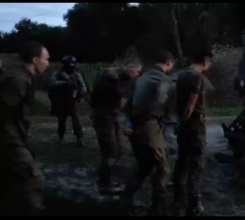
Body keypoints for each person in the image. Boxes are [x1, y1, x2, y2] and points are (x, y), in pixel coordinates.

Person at [120, 50, 175, 216]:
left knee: (143, 167)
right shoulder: (164, 81)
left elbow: (126, 104)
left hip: (135, 129)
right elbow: (156, 107)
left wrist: (130, 123)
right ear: (169, 63)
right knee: (162, 169)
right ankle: (160, 209)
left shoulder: (140, 78)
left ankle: (123, 202)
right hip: (149, 128)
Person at [0, 41, 50, 215]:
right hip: (8, 139)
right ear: (35, 60)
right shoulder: (20, 80)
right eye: (46, 59)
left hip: (14, 136)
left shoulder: (21, 77)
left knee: (9, 180)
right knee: (34, 179)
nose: (48, 63)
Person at [90, 57, 142, 194]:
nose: (137, 74)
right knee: (110, 152)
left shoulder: (123, 78)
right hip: (103, 116)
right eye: (137, 71)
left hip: (112, 115)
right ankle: (104, 184)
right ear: (129, 68)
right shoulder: (110, 77)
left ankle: (106, 178)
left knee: (119, 151)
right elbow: (117, 94)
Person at [172, 49, 213, 216]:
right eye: (210, 63)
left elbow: (177, 102)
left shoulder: (181, 74)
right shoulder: (197, 77)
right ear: (205, 61)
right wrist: (180, 125)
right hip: (194, 125)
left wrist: (179, 125)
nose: (209, 66)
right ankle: (194, 203)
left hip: (184, 126)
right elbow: (190, 107)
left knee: (182, 161)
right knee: (196, 165)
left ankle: (178, 197)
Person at [48, 55, 87, 147]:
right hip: (61, 101)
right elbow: (52, 83)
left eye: (72, 64)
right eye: (69, 64)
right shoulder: (58, 74)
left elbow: (83, 87)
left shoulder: (77, 75)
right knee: (61, 121)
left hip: (73, 101)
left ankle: (80, 138)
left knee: (76, 120)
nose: (71, 66)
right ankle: (60, 138)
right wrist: (65, 83)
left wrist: (80, 91)